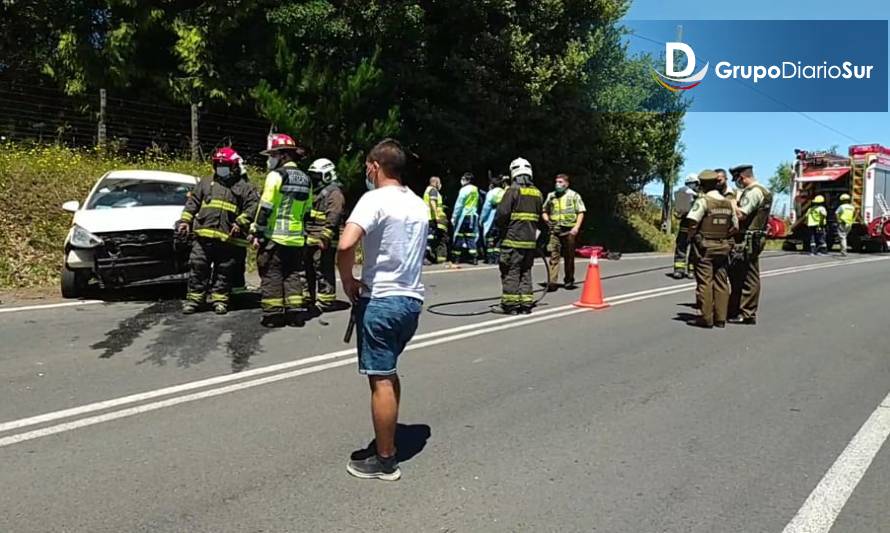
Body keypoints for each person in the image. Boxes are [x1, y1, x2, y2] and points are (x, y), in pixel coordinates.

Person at [338, 139, 427, 481]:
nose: (365, 173)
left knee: (380, 380)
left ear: (375, 165)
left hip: (382, 302)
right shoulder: (418, 204)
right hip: (411, 302)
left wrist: (347, 281)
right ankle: (387, 441)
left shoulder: (374, 199)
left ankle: (385, 460)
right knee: (388, 373)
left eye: (366, 167)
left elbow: (346, 243)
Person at [177, 147, 258, 315]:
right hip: (203, 236)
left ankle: (220, 300)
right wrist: (185, 221)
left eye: (225, 165)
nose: (221, 168)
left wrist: (241, 222)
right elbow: (193, 203)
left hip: (228, 238)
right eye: (218, 164)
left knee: (224, 270)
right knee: (198, 266)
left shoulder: (244, 187)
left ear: (234, 166)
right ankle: (194, 300)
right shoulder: (205, 183)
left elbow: (253, 207)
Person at [250, 133, 313, 328]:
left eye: (272, 155)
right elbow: (307, 211)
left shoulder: (276, 176)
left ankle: (273, 315)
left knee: (272, 274)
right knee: (292, 273)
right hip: (296, 239)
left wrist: (257, 232)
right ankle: (295, 314)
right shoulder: (306, 179)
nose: (270, 159)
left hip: (274, 237)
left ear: (283, 155)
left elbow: (266, 206)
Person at [685, 170, 738, 329]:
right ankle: (721, 318)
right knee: (722, 281)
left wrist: (691, 237)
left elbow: (693, 222)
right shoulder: (728, 203)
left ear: (702, 185)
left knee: (705, 282)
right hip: (723, 247)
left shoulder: (703, 201)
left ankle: (706, 318)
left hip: (705, 248)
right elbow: (735, 226)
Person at [495, 158, 543, 315]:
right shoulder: (538, 193)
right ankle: (526, 304)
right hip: (530, 242)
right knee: (526, 271)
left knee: (511, 271)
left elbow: (502, 214)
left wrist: (499, 230)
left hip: (512, 240)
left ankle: (509, 305)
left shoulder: (512, 191)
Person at [727, 164, 773, 325]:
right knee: (746, 274)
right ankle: (743, 310)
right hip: (753, 238)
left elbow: (741, 214)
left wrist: (732, 201)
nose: (736, 183)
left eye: (736, 179)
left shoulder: (753, 192)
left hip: (747, 240)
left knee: (747, 276)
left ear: (742, 177)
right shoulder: (763, 190)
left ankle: (746, 312)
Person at [305, 158, 346, 312]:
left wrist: (325, 237)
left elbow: (333, 217)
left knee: (324, 270)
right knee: (309, 269)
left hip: (324, 240)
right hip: (311, 237)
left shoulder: (334, 193)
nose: (314, 180)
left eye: (317, 176)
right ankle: (309, 297)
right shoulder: (316, 193)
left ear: (327, 175)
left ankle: (327, 301)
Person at [543, 174, 587, 290]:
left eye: (561, 182)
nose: (558, 184)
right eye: (557, 182)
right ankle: (552, 282)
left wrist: (576, 228)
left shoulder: (574, 196)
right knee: (554, 256)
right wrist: (547, 220)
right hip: (555, 230)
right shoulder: (551, 196)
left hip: (569, 230)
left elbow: (581, 212)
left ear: (567, 184)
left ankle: (569, 280)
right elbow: (544, 210)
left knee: (569, 256)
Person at [672, 174, 700, 279]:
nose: (695, 186)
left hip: (696, 226)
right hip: (685, 225)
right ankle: (679, 270)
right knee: (681, 248)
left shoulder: (700, 195)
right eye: (689, 184)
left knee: (694, 249)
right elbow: (679, 211)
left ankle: (691, 270)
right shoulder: (684, 194)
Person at [451, 173, 480, 265]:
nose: (462, 180)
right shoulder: (475, 190)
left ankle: (456, 258)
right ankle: (474, 257)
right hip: (473, 216)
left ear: (467, 180)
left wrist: (454, 216)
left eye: (463, 178)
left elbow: (459, 204)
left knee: (459, 236)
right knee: (471, 237)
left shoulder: (464, 190)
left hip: (464, 216)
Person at [480, 174, 508, 264]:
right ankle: (497, 258)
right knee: (499, 239)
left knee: (490, 239)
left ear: (491, 185)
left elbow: (486, 209)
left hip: (492, 219)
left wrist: (481, 220)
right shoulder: (505, 193)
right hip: (502, 219)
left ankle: (490, 259)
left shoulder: (491, 193)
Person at [422, 177, 449, 264]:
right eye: (439, 182)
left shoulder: (428, 190)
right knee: (429, 238)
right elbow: (433, 202)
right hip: (431, 217)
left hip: (428, 216)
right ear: (436, 183)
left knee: (430, 238)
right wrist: (437, 216)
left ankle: (428, 256)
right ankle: (424, 257)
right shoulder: (433, 190)